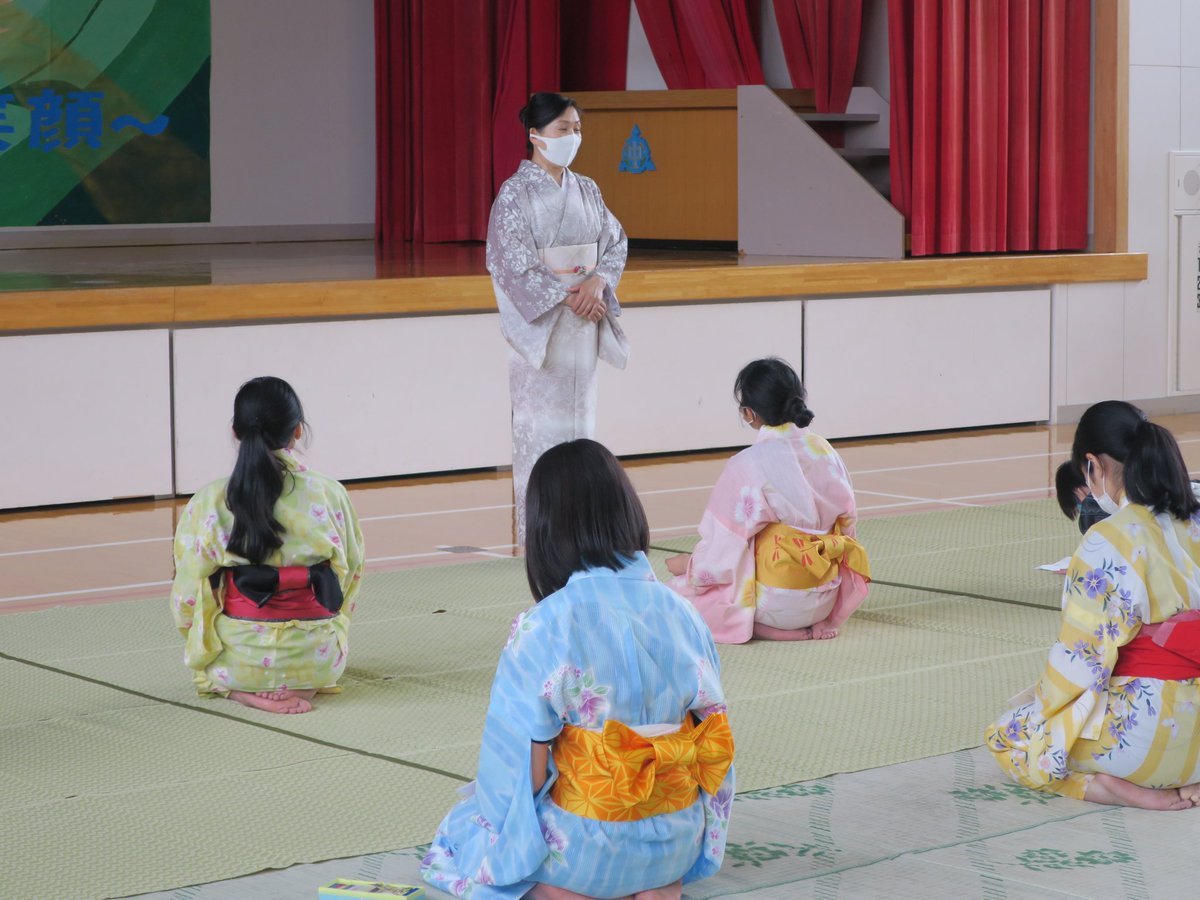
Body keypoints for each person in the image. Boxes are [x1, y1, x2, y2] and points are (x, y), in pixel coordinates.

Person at [421, 440, 735, 899]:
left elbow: (517, 774)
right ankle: (653, 882)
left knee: (462, 832)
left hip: (584, 849)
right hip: (674, 841)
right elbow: (716, 742)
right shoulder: (683, 612)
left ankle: (578, 887)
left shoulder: (545, 624)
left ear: (547, 529)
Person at [987, 400, 1200, 809]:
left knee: (1009, 734)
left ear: (1093, 466)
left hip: (1152, 737)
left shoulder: (1106, 540)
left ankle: (1108, 787)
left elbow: (1080, 662)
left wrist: (1045, 711)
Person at [170, 376, 364, 715]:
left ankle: (242, 690)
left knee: (211, 663)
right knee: (320, 650)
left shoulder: (212, 500)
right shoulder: (329, 493)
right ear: (298, 431)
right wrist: (332, 624)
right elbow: (349, 574)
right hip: (318, 660)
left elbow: (187, 593)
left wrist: (196, 640)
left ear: (235, 431)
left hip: (239, 660)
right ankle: (304, 687)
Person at [487, 92, 629, 546]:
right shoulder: (515, 194)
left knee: (581, 426)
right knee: (541, 433)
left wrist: (599, 282)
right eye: (563, 129)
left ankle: (583, 533)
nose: (573, 136)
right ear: (535, 135)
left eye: (577, 129)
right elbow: (510, 262)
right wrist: (569, 294)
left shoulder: (587, 189)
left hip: (584, 321)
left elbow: (616, 241)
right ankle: (541, 536)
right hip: (546, 332)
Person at [666, 359, 870, 644]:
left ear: (749, 413)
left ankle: (767, 627)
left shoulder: (746, 465)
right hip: (827, 591)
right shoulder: (825, 451)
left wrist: (690, 567)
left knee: (674, 597)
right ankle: (804, 623)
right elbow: (848, 525)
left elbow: (723, 549)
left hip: (776, 601)